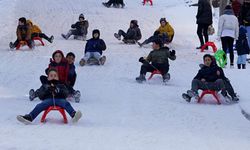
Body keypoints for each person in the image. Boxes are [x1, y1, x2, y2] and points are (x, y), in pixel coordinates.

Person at [17, 69, 82, 125]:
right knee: (39, 106)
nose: (53, 77)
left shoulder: (61, 85)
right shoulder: (45, 85)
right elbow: (40, 94)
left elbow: (66, 93)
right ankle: (30, 117)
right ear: (48, 78)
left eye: (55, 75)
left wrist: (58, 90)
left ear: (58, 77)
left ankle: (74, 115)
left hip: (60, 99)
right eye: (51, 76)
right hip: (48, 100)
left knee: (66, 103)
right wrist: (47, 90)